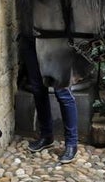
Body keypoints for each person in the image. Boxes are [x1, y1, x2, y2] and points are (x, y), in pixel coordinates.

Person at [20, 34, 80, 164]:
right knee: (38, 89)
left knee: (63, 91)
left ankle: (71, 143)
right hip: (31, 38)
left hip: (56, 40)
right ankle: (46, 136)